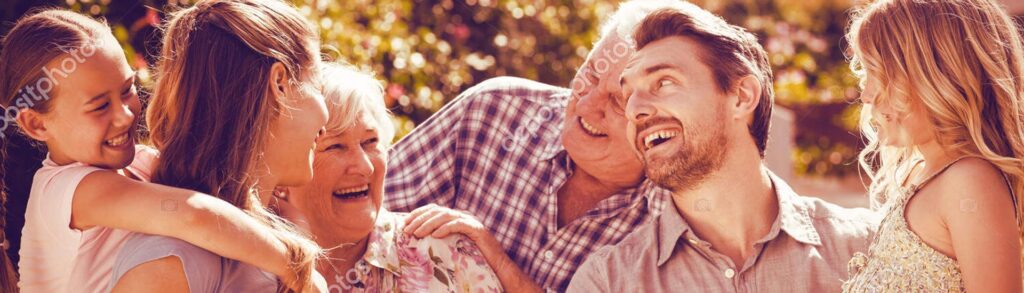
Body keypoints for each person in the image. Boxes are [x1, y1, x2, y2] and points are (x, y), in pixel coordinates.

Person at [0, 8, 323, 292]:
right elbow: (195, 215)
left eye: (127, 90)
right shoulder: (68, 190)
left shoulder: (140, 165)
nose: (125, 114)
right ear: (36, 125)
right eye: (99, 107)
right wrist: (295, 265)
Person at [381, 1, 695, 291]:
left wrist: (498, 264)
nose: (587, 105)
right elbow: (357, 223)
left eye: (616, 101)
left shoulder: (675, 227)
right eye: (591, 74)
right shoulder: (493, 111)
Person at [567, 6, 876, 292]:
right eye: (628, 95)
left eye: (663, 83)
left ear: (741, 97)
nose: (634, 110)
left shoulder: (867, 247)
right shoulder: (607, 282)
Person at [107, 0, 330, 291]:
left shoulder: (268, 253)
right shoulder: (171, 262)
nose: (326, 121)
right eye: (317, 86)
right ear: (279, 84)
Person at [842, 0, 1024, 291]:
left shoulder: (969, 181)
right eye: (864, 73)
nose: (866, 94)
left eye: (880, 74)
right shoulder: (918, 175)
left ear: (937, 76)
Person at [279, 63, 502, 292]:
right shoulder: (250, 270)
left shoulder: (450, 256)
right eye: (335, 146)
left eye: (370, 142)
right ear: (283, 170)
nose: (364, 166)